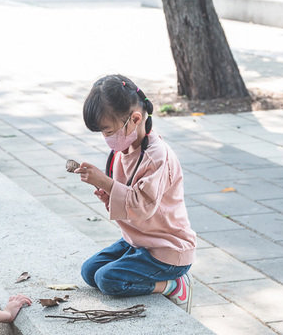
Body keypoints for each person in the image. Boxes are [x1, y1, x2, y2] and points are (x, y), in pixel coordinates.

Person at [75, 74, 197, 313]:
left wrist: (107, 183)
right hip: (140, 240)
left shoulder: (156, 157)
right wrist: (109, 194)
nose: (106, 139)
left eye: (109, 131)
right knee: (89, 272)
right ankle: (147, 268)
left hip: (166, 248)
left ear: (135, 118)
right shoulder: (125, 149)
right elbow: (129, 195)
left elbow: (142, 206)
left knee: (107, 280)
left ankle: (175, 285)